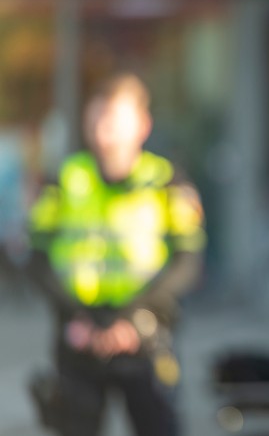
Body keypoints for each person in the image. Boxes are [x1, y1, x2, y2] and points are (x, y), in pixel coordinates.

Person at [28, 72, 205, 436]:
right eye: (96, 117)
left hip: (144, 336)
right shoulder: (64, 179)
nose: (103, 130)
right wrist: (77, 318)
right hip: (79, 337)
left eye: (114, 119)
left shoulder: (167, 181)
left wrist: (132, 318)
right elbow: (37, 258)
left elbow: (188, 262)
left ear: (143, 124)